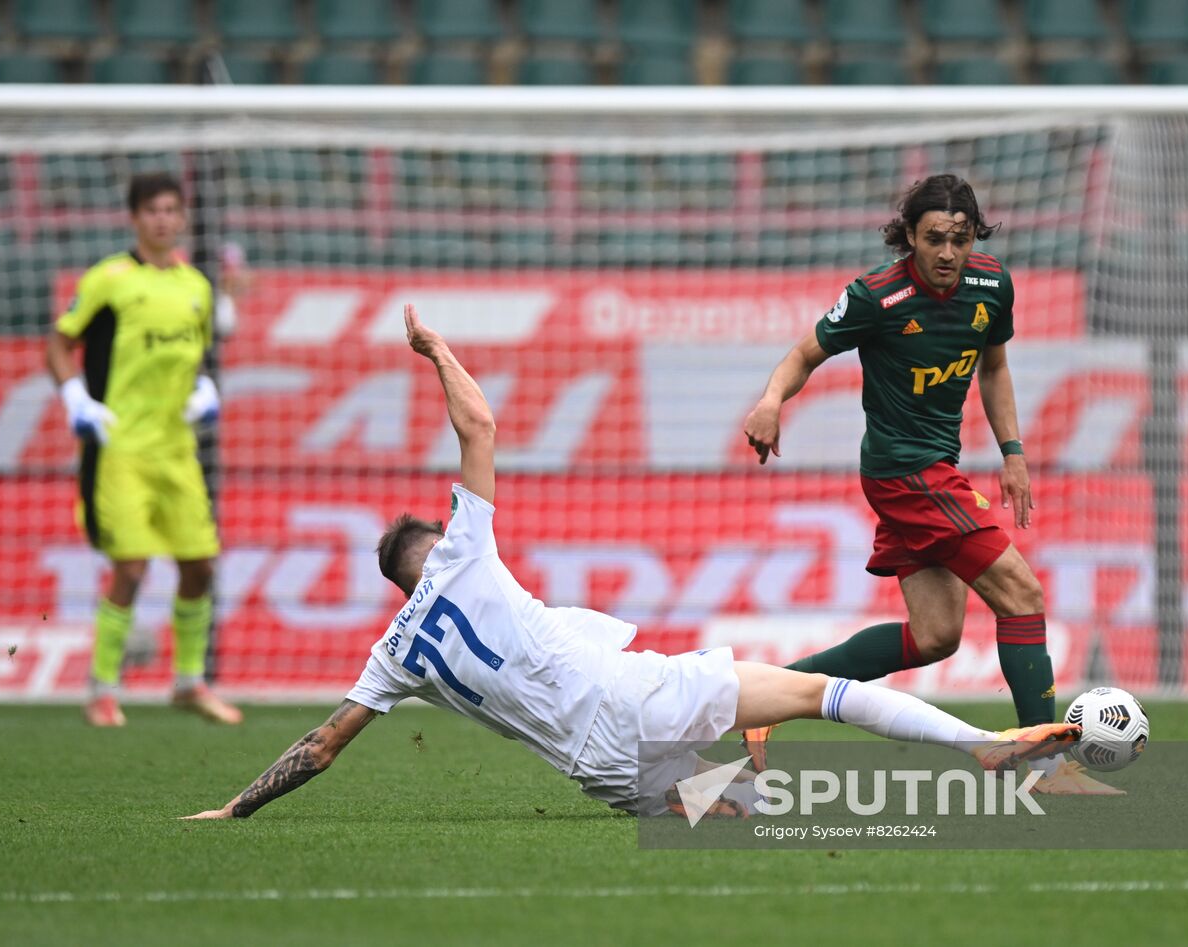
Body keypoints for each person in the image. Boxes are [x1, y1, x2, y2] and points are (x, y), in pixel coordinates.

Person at [182, 304, 1078, 823]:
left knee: (757, 822)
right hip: (634, 691)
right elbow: (479, 427)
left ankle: (830, 804)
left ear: (396, 587)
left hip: (600, 767)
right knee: (819, 694)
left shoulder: (393, 653)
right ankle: (985, 745)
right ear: (435, 544)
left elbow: (322, 746)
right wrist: (437, 352)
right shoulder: (461, 552)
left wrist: (236, 808)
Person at [740, 174, 1113, 795]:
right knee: (1022, 594)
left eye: (960, 239)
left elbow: (994, 368)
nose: (947, 252)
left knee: (935, 636)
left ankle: (765, 697)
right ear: (908, 237)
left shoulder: (992, 285)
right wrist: (771, 400)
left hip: (935, 467)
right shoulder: (875, 296)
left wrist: (1013, 452)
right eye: (934, 238)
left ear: (974, 239)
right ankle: (1045, 768)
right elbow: (805, 353)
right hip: (906, 473)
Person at [45, 171, 242, 728]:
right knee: (131, 568)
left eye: (171, 210)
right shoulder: (110, 279)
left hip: (176, 449)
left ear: (182, 218)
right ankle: (102, 690)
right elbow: (59, 345)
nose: (162, 219)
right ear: (134, 218)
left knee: (200, 565)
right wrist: (75, 398)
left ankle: (188, 683)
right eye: (151, 210)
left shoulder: (196, 287)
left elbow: (195, 357)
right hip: (120, 447)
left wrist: (204, 388)